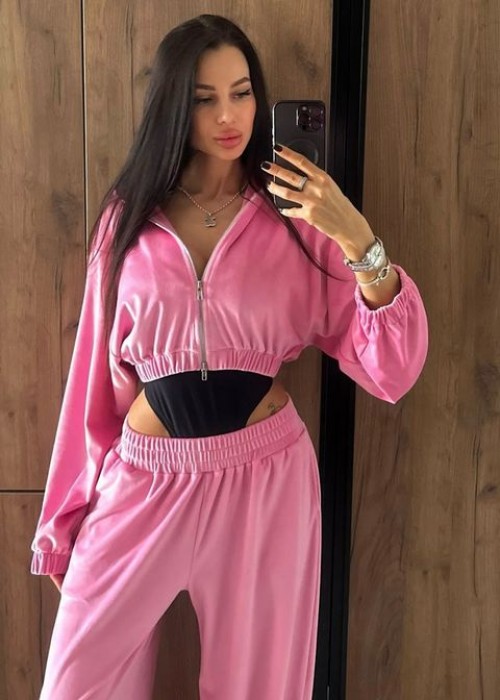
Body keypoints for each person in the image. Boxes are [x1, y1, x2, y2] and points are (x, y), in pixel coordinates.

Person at [30, 13, 428, 700]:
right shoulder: (128, 217)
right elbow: (93, 374)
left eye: (241, 93)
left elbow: (391, 367)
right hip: (143, 482)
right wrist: (64, 517)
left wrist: (355, 236)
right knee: (76, 685)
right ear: (173, 106)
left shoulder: (296, 218)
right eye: (204, 98)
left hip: (263, 485)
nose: (227, 116)